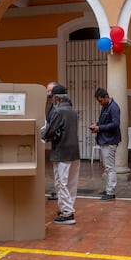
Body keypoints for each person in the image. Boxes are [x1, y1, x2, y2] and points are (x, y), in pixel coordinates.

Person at [42, 85, 80, 225]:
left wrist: (43, 133)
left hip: (62, 152)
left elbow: (50, 132)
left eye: (52, 97)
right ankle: (67, 208)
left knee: (61, 183)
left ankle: (68, 214)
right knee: (71, 183)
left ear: (57, 97)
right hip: (74, 151)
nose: (52, 100)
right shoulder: (72, 111)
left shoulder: (58, 112)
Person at [90, 88, 121, 201]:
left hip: (110, 140)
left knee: (110, 167)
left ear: (106, 97)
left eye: (100, 100)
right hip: (105, 140)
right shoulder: (106, 107)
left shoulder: (113, 107)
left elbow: (115, 124)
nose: (100, 103)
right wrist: (97, 124)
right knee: (107, 167)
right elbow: (105, 122)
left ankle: (110, 191)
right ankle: (109, 188)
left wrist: (100, 128)